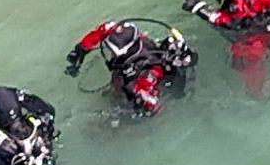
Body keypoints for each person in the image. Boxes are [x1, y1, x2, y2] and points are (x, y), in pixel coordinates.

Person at [64, 16, 197, 112]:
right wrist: (80, 51)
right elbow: (104, 29)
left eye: (112, 52)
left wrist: (133, 93)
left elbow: (153, 106)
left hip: (155, 88)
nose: (110, 54)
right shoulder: (136, 39)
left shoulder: (147, 74)